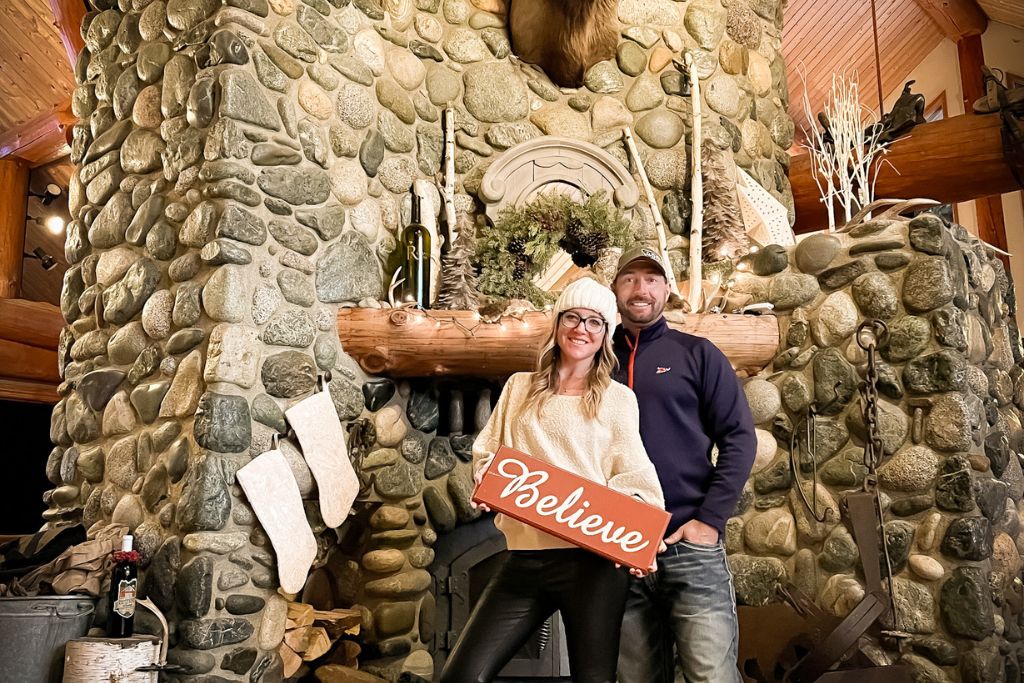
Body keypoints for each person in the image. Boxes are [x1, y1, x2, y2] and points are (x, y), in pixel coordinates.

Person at [440, 276, 665, 683]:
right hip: (527, 557)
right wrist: (486, 480)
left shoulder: (617, 399)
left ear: (605, 334)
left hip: (593, 566)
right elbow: (488, 452)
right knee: (463, 675)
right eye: (573, 317)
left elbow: (633, 475)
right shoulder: (518, 388)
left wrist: (636, 535)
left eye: (595, 322)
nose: (582, 329)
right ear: (558, 323)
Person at [612, 246, 756, 683]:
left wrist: (708, 523)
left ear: (668, 288)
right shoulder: (596, 360)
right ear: (614, 288)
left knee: (711, 676)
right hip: (617, 547)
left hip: (690, 544)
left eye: (652, 278)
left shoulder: (697, 353)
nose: (641, 288)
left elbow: (739, 438)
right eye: (630, 278)